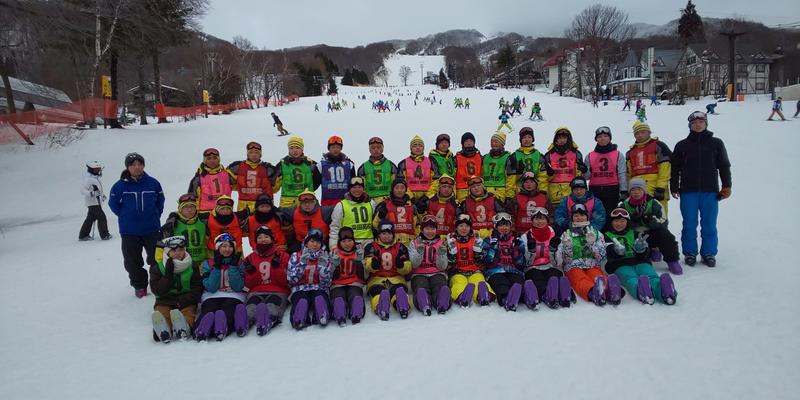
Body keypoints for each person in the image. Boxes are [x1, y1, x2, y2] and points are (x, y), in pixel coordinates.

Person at [670, 111, 732, 268]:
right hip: (688, 191)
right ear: (690, 125)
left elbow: (724, 165)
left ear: (706, 124)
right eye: (694, 123)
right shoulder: (682, 145)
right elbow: (675, 168)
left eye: (701, 122)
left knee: (709, 224)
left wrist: (727, 185)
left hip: (710, 191)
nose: (698, 125)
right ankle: (690, 252)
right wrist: (674, 186)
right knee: (689, 224)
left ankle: (708, 253)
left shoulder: (716, 143)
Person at [109, 152, 165, 298]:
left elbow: (160, 202)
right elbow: (113, 204)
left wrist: (154, 215)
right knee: (132, 261)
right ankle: (140, 286)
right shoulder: (119, 186)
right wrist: (125, 216)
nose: (137, 167)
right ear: (128, 167)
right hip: (129, 231)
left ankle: (157, 284)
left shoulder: (153, 183)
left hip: (151, 229)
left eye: (140, 164)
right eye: (133, 165)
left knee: (157, 258)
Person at [604, 208, 676, 305]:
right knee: (630, 278)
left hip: (640, 261)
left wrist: (641, 249)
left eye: (622, 221)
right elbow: (606, 251)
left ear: (627, 222)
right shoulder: (606, 236)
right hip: (620, 264)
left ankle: (664, 291)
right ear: (611, 222)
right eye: (616, 221)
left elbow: (645, 253)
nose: (619, 224)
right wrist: (615, 251)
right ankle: (641, 291)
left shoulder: (635, 233)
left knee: (651, 276)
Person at [555, 204, 619, 306]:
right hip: (573, 266)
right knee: (579, 278)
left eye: (582, 215)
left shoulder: (596, 233)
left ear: (587, 216)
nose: (579, 218)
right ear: (572, 218)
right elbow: (564, 260)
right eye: (576, 215)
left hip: (592, 264)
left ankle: (611, 291)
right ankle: (593, 292)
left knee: (597, 276)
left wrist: (592, 244)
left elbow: (601, 257)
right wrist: (568, 247)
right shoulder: (566, 234)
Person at [622, 179, 682, 274]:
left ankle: (672, 260)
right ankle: (644, 257)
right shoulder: (624, 205)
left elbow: (663, 220)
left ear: (644, 190)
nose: (636, 192)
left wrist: (652, 220)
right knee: (626, 239)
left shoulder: (653, 202)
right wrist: (630, 223)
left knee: (666, 235)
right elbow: (618, 222)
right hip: (635, 233)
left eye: (639, 189)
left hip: (651, 231)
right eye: (633, 189)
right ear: (629, 191)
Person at [194, 233, 247, 341]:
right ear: (218, 248)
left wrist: (233, 267)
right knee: (209, 311)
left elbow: (237, 287)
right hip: (212, 296)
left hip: (233, 295)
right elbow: (211, 287)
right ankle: (201, 329)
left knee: (229, 311)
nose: (227, 249)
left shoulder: (239, 263)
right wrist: (217, 268)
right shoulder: (208, 263)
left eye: (230, 246)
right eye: (224, 246)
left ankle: (221, 327)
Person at [149, 236, 202, 342]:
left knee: (188, 313)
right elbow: (157, 290)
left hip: (186, 300)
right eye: (174, 250)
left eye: (181, 250)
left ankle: (184, 327)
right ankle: (163, 330)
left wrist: (184, 300)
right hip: (165, 300)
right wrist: (168, 276)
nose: (178, 253)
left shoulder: (192, 266)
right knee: (163, 313)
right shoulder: (158, 268)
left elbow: (197, 288)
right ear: (167, 252)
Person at [243, 226, 291, 335]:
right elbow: (248, 284)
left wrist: (277, 268)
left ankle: (267, 320)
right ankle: (244, 322)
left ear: (272, 239)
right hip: (256, 290)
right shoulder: (250, 258)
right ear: (255, 240)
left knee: (272, 305)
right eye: (259, 237)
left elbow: (286, 280)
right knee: (251, 306)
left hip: (278, 290)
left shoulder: (282, 255)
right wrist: (251, 273)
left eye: (266, 237)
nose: (263, 239)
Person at [519, 207, 571, 308]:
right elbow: (525, 262)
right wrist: (531, 251)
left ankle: (564, 296)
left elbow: (559, 262)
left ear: (547, 220)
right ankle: (547, 296)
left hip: (551, 264)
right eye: (536, 219)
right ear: (532, 220)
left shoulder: (554, 233)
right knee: (539, 281)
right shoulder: (525, 236)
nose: (539, 221)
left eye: (542, 219)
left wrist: (553, 251)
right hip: (533, 267)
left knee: (554, 278)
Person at [364, 221, 412, 320]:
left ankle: (402, 306)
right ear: (379, 234)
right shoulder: (371, 247)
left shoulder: (400, 247)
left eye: (389, 233)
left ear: (393, 234)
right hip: (376, 279)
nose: (386, 236)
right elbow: (367, 264)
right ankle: (380, 307)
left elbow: (408, 267)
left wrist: (401, 265)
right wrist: (373, 264)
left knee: (399, 290)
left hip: (396, 278)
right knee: (377, 292)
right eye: (384, 233)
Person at [286, 229, 332, 329]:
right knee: (301, 300)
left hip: (318, 287)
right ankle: (299, 319)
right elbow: (291, 279)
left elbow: (327, 284)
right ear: (306, 243)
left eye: (318, 242)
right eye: (312, 241)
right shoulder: (296, 256)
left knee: (320, 297)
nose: (315, 245)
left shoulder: (324, 257)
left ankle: (322, 315)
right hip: (300, 288)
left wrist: (322, 269)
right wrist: (302, 265)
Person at [484, 213, 529, 311]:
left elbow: (521, 263)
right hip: (495, 271)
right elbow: (487, 262)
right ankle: (506, 298)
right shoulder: (488, 240)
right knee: (500, 283)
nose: (504, 228)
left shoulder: (516, 240)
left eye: (507, 225)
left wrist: (517, 250)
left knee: (518, 282)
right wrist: (493, 249)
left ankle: (525, 297)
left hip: (513, 270)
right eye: (501, 225)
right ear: (496, 226)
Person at [583, 126, 627, 225]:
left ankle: (611, 231)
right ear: (596, 139)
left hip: (612, 189)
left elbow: (622, 173)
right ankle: (597, 232)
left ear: (610, 138)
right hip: (595, 189)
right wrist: (584, 170)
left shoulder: (618, 154)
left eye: (605, 136)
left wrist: (624, 191)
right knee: (596, 214)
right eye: (600, 137)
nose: (602, 138)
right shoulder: (590, 156)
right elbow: (587, 177)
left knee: (611, 214)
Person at [407, 216, 451, 315]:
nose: (430, 232)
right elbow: (414, 264)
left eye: (432, 229)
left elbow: (443, 267)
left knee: (439, 285)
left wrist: (441, 255)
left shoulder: (441, 243)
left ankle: (441, 302)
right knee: (421, 286)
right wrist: (419, 252)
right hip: (419, 273)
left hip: (437, 272)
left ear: (436, 230)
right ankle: (424, 303)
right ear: (422, 230)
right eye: (427, 229)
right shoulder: (414, 243)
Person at [446, 214, 493, 306]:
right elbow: (448, 264)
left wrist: (478, 252)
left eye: (467, 226)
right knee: (459, 283)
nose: (464, 228)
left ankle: (482, 295)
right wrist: (451, 254)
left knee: (479, 280)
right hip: (458, 272)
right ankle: (462, 296)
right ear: (456, 227)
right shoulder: (451, 241)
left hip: (474, 270)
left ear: (470, 228)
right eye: (461, 226)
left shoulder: (476, 240)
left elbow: (482, 260)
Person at [626, 122, 672, 212]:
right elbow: (628, 174)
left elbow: (665, 168)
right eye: (637, 133)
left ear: (649, 132)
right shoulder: (630, 152)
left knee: (659, 215)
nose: (640, 135)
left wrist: (661, 187)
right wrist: (629, 189)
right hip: (637, 189)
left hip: (656, 188)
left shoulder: (658, 146)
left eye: (643, 132)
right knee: (637, 215)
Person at [329, 227, 367, 325]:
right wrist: (334, 265)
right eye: (344, 241)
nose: (347, 244)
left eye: (350, 241)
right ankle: (339, 313)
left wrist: (360, 261)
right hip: (337, 284)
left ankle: (356, 312)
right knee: (338, 297)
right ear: (339, 242)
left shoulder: (358, 252)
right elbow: (329, 276)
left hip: (354, 283)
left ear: (354, 241)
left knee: (355, 295)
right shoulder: (334, 253)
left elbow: (365, 275)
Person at [160, 193, 209, 267]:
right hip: (182, 263)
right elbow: (162, 245)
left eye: (192, 206)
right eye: (185, 207)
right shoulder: (173, 223)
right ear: (180, 209)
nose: (190, 210)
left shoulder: (203, 220)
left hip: (202, 262)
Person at [543, 127, 587, 209]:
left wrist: (583, 170)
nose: (562, 140)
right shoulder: (549, 155)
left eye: (564, 138)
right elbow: (544, 176)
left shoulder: (576, 153)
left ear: (568, 139)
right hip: (554, 195)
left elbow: (579, 175)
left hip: (573, 194)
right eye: (559, 138)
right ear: (555, 139)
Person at [273, 137, 322, 208]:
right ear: (288, 150)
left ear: (302, 149)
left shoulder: (311, 164)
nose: (294, 150)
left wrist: (309, 190)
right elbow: (274, 188)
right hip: (287, 204)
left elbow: (318, 180)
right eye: (291, 148)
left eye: (297, 148)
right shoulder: (282, 165)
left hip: (307, 201)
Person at [228, 142, 276, 213]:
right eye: (251, 152)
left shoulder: (268, 168)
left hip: (264, 208)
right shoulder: (237, 167)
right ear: (247, 154)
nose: (254, 155)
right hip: (244, 208)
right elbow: (229, 185)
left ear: (260, 154)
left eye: (256, 152)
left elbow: (275, 188)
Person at [329, 177, 375, 250]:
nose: (357, 190)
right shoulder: (341, 205)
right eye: (354, 187)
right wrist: (333, 246)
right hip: (349, 245)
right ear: (349, 189)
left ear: (363, 188)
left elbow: (376, 223)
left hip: (369, 243)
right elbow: (335, 227)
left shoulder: (371, 203)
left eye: (359, 187)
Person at [187, 148, 236, 214]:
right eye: (209, 158)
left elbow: (241, 187)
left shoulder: (228, 175)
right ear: (205, 161)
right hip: (205, 214)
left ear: (219, 159)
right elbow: (191, 200)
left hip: (224, 212)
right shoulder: (198, 178)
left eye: (215, 158)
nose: (212, 161)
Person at [374, 179, 418, 246]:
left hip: (409, 243)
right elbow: (375, 225)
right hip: (391, 244)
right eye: (397, 187)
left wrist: (415, 239)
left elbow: (417, 226)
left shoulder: (412, 206)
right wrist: (380, 216)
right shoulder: (385, 204)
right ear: (392, 189)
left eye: (402, 188)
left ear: (406, 190)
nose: (399, 190)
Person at [357, 137, 397, 203]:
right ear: (369, 150)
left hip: (388, 200)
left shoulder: (391, 165)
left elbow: (396, 184)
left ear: (382, 149)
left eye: (378, 147)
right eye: (373, 148)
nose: (376, 150)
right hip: (370, 201)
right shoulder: (363, 167)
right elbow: (360, 187)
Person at [397, 135, 439, 200]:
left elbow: (436, 181)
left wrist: (427, 197)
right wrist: (410, 197)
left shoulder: (431, 162)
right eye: (415, 145)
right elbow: (402, 182)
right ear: (411, 148)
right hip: (409, 199)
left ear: (423, 148)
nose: (418, 147)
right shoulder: (403, 163)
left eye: (420, 145)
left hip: (427, 199)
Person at [319, 136, 356, 207]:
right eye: (333, 147)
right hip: (327, 203)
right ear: (329, 149)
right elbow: (314, 185)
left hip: (346, 202)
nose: (335, 149)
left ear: (341, 149)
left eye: (338, 147)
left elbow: (354, 184)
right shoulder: (321, 165)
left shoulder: (349, 165)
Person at [79, 160, 112, 241]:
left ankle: (83, 235)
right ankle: (104, 235)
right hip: (92, 203)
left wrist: (102, 195)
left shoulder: (96, 178)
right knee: (102, 217)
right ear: (91, 170)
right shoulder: (89, 179)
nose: (98, 171)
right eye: (96, 169)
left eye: (99, 169)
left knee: (90, 219)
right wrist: (92, 193)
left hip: (96, 202)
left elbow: (98, 190)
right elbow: (82, 190)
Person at [481, 132, 517, 203]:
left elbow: (511, 180)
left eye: (496, 142)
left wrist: (509, 196)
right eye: (492, 141)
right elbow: (481, 175)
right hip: (485, 193)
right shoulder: (485, 158)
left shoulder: (509, 158)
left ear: (502, 144)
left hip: (501, 194)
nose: (493, 143)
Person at [512, 127, 548, 196]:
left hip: (536, 192)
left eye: (529, 137)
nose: (527, 139)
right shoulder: (514, 156)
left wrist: (542, 191)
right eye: (524, 137)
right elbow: (511, 178)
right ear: (521, 140)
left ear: (532, 139)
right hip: (519, 192)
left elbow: (543, 176)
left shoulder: (539, 155)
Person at [453, 132, 482, 202]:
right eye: (466, 141)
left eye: (471, 141)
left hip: (477, 189)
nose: (469, 143)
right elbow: (453, 177)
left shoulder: (480, 157)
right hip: (462, 191)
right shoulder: (456, 158)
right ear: (462, 143)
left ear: (474, 143)